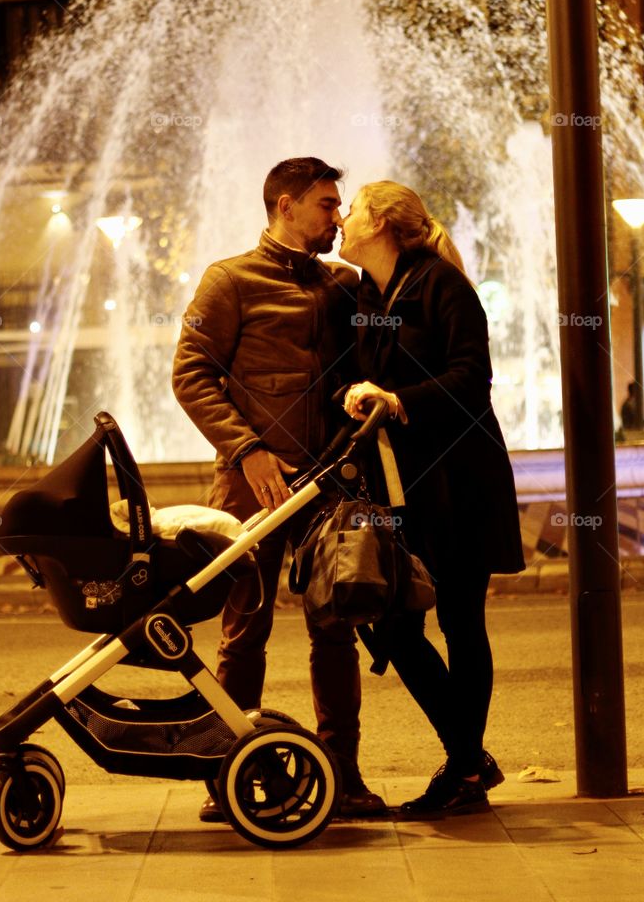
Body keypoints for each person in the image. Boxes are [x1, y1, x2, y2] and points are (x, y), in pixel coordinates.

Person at [172, 156, 387, 820]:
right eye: (326, 205)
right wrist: (246, 451)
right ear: (285, 205)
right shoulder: (229, 279)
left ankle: (343, 776)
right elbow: (190, 374)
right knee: (242, 633)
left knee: (335, 628)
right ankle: (225, 777)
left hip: (327, 483)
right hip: (252, 486)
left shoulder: (341, 285)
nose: (336, 216)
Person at [339, 180, 525, 818]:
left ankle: (465, 773)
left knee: (460, 621)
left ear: (384, 223)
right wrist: (357, 393)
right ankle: (469, 758)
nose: (341, 218)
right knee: (389, 622)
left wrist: (396, 401)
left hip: (461, 480)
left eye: (353, 210)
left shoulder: (442, 285)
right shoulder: (369, 291)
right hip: (407, 486)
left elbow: (473, 379)